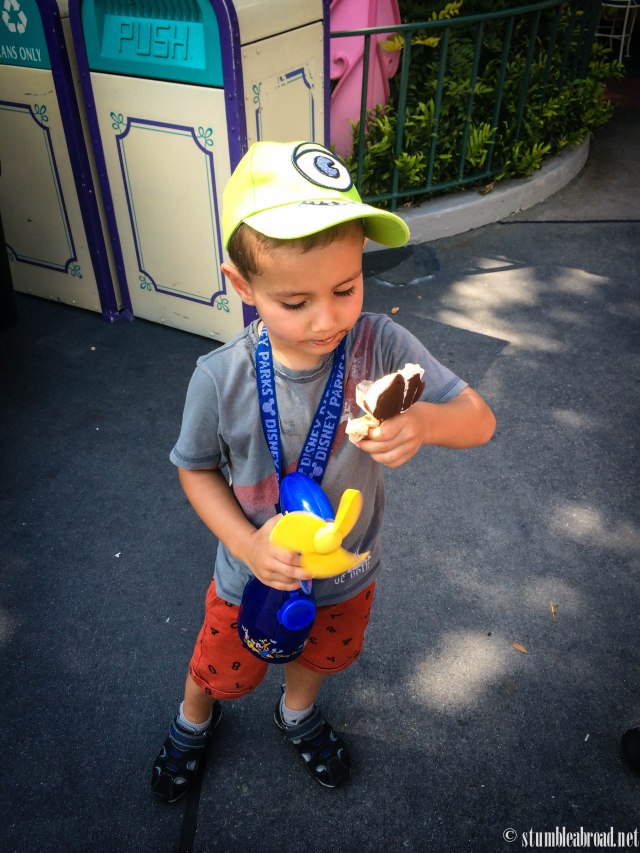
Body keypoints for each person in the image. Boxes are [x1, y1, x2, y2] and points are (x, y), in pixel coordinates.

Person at [151, 140, 496, 801]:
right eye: (295, 300)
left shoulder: (379, 346)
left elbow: (478, 419)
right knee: (220, 665)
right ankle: (193, 721)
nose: (328, 317)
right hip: (250, 577)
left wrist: (423, 423)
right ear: (243, 286)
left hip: (347, 574)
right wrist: (249, 543)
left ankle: (298, 712)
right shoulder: (218, 378)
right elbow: (195, 472)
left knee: (322, 654)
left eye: (346, 287)